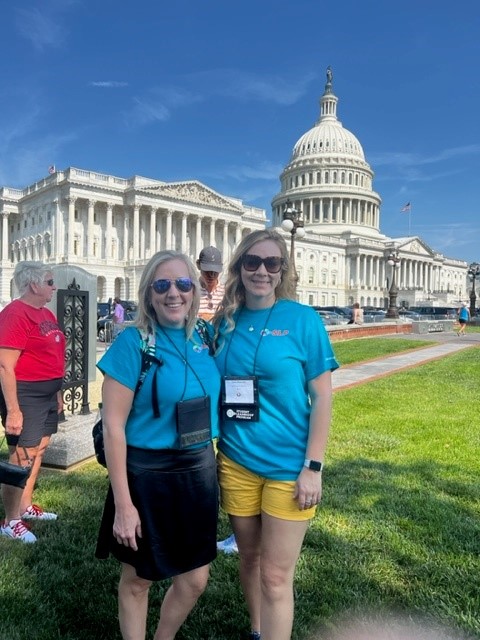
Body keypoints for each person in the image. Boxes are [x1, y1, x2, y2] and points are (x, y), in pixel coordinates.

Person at [212, 229, 339, 640]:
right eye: (252, 262)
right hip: (235, 460)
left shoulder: (303, 320)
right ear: (239, 268)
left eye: (272, 263)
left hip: (288, 466)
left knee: (276, 576)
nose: (261, 271)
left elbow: (322, 396)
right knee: (249, 559)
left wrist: (313, 467)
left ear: (283, 270)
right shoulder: (224, 322)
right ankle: (257, 629)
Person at [95, 250, 221, 640]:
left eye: (183, 284)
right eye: (162, 285)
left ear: (194, 290)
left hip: (198, 470)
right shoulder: (133, 343)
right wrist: (124, 506)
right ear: (149, 293)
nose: (173, 293)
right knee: (139, 579)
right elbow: (113, 427)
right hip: (147, 476)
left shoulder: (204, 336)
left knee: (195, 579)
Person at [0, 262, 65, 543]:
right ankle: (10, 521)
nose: (54, 287)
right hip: (26, 394)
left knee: (39, 450)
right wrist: (13, 410)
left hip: (47, 393)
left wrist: (57, 391)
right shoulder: (15, 314)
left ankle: (24, 506)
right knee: (21, 455)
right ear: (33, 284)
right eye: (49, 282)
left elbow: (53, 354)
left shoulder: (45, 313)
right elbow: (5, 365)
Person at [196, 246, 225, 321]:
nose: (211, 275)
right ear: (198, 265)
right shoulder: (191, 292)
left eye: (215, 271)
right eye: (207, 271)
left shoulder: (227, 293)